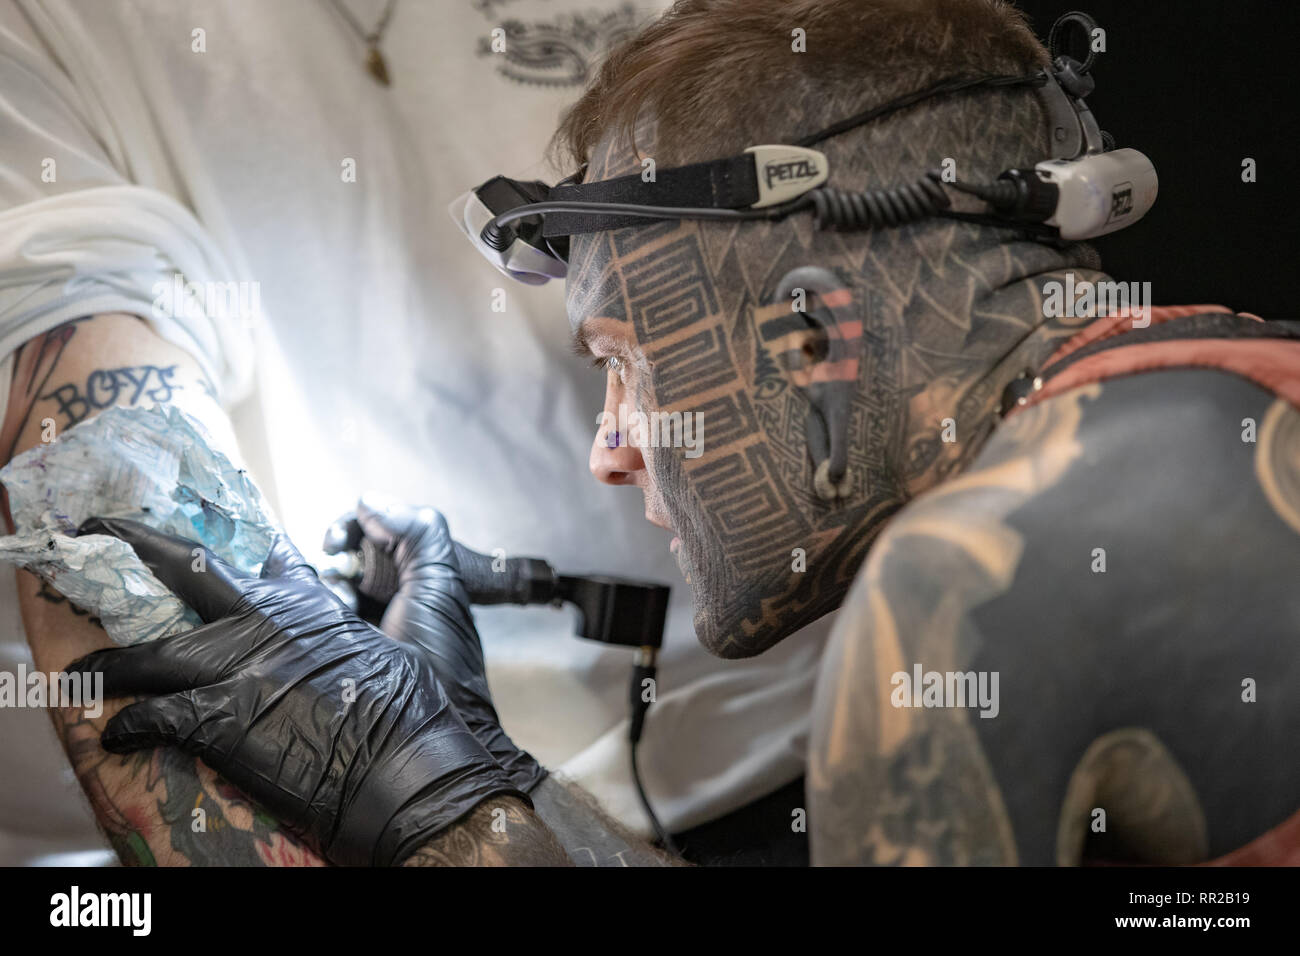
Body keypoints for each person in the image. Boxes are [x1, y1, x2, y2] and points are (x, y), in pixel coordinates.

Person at [56, 0, 1300, 865]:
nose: (607, 448)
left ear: (811, 343)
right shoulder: (1231, 377)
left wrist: (439, 799)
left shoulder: (968, 590)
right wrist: (483, 771)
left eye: (622, 365)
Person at [0, 0, 829, 866]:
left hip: (796, 740)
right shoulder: (49, 25)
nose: (607, 453)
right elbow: (104, 475)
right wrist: (463, 777)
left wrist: (440, 790)